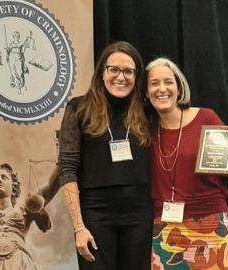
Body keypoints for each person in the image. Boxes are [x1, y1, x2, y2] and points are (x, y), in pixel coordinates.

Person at [58, 41, 152, 270]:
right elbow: (67, 167)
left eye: (128, 71)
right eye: (114, 69)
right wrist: (79, 227)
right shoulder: (78, 108)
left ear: (137, 76)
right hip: (96, 214)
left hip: (140, 214)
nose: (121, 77)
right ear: (102, 72)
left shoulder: (148, 111)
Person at [145, 58, 228, 270]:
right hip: (166, 229)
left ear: (179, 88)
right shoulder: (144, 129)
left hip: (211, 223)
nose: (161, 89)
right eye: (154, 83)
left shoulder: (206, 118)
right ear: (146, 92)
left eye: (168, 82)